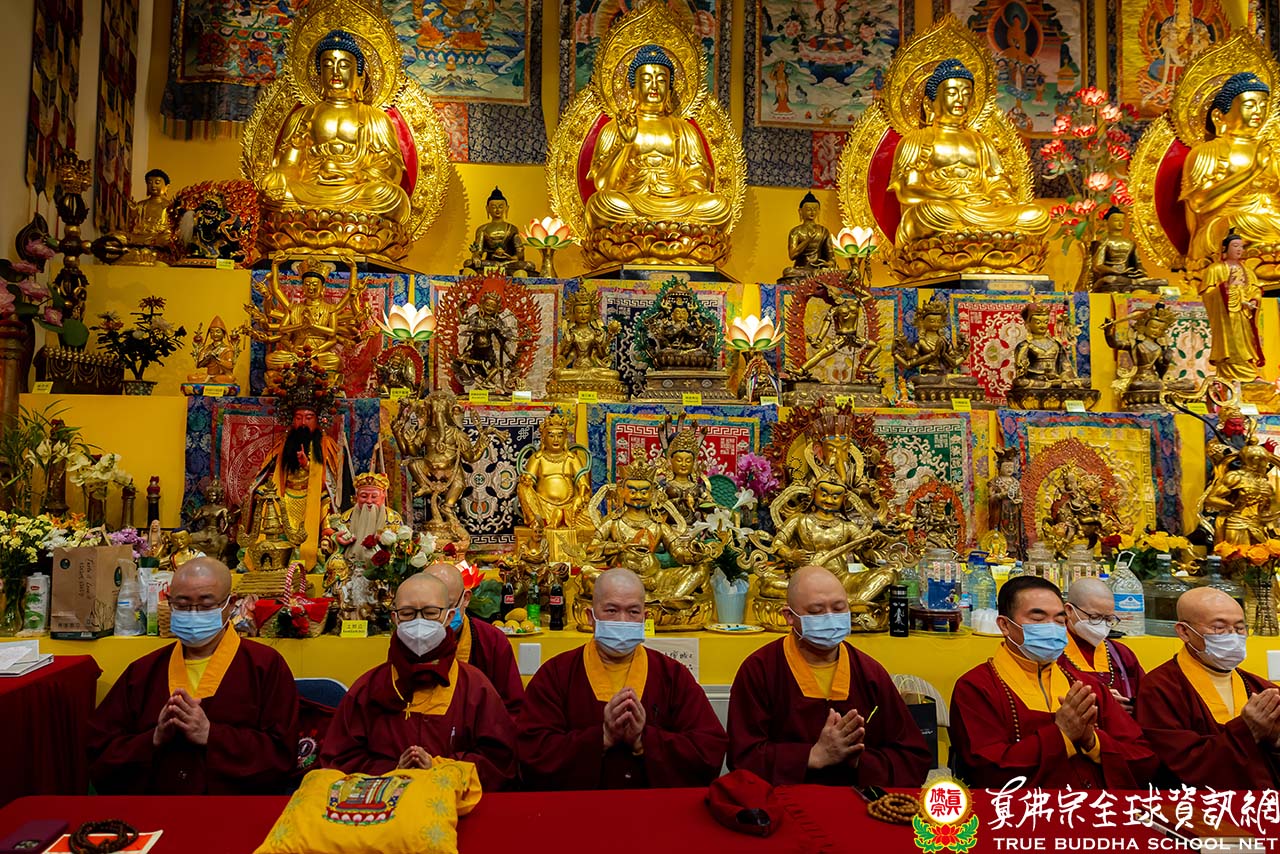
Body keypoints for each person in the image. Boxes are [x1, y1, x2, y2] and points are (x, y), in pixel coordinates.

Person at [87, 558, 299, 794]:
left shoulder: (265, 666)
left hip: (235, 808)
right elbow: (100, 752)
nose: (193, 614)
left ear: (230, 604)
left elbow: (283, 754)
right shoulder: (143, 672)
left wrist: (211, 735)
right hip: (157, 806)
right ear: (169, 602)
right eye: (183, 605)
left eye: (206, 605)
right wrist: (153, 738)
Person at [518, 568, 727, 789]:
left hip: (654, 806)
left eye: (633, 612)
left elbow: (709, 749)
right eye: (611, 610)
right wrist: (602, 737)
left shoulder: (672, 675)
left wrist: (643, 740)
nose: (623, 620)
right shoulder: (556, 674)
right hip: (578, 806)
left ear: (645, 618)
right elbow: (532, 752)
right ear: (590, 617)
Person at [726, 565, 931, 786]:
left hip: (857, 799)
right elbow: (742, 757)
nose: (830, 618)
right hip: (785, 799)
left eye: (839, 608)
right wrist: (812, 756)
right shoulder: (760, 670)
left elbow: (913, 758)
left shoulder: (870, 673)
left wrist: (858, 760)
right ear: (789, 616)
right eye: (816, 611)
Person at [949, 576, 1157, 788]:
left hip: (1095, 806)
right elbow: (986, 769)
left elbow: (1143, 757)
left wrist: (1093, 743)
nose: (1051, 628)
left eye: (1059, 621)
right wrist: (1061, 735)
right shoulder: (977, 687)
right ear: (1004, 625)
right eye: (1038, 619)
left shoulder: (1087, 687)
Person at [320, 573, 517, 791]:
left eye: (431, 613)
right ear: (395, 618)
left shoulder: (474, 687)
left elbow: (499, 763)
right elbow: (338, 761)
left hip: (455, 805)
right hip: (384, 806)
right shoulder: (369, 688)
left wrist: (439, 768)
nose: (419, 622)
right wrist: (393, 772)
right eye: (407, 614)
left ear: (449, 616)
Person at [1136, 588, 1280, 787]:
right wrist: (1247, 730)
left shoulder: (1261, 688)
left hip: (1261, 799)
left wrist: (1275, 741)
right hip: (1197, 803)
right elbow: (1176, 763)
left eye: (1240, 628)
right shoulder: (1160, 688)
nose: (1233, 636)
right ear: (1184, 632)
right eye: (1219, 628)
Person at [424, 561, 525, 717]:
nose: (440, 616)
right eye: (429, 609)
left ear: (466, 598)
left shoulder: (492, 640)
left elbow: (512, 709)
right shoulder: (410, 639)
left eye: (448, 606)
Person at [1057, 577, 1145, 714]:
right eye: (1095, 617)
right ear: (1069, 610)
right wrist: (1104, 703)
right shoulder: (1052, 653)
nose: (1102, 625)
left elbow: (1147, 699)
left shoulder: (1121, 654)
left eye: (1109, 619)